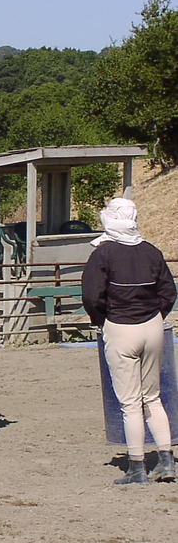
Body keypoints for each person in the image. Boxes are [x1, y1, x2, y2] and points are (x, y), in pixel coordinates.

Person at [81, 197, 177, 485]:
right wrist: (155, 316)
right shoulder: (151, 251)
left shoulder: (103, 254)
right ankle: (166, 460)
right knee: (153, 398)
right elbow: (168, 292)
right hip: (152, 326)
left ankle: (137, 466)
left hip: (121, 326)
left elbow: (92, 296)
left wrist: (102, 320)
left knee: (131, 403)